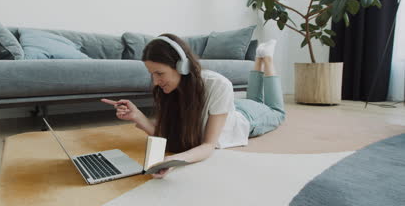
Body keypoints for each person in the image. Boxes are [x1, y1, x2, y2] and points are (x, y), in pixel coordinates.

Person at [102, 34, 285, 179]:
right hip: (224, 108)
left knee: (276, 111)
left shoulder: (219, 84)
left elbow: (208, 145)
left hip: (247, 118)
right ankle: (259, 59)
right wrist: (137, 116)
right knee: (254, 98)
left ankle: (266, 59)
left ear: (182, 66)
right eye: (152, 74)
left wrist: (173, 160)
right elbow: (168, 136)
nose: (156, 82)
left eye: (159, 73)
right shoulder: (171, 90)